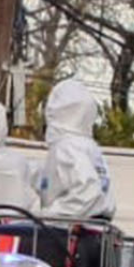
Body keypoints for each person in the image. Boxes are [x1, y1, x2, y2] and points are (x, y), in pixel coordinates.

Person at [35, 80, 116, 220]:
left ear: (55, 110)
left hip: (69, 231)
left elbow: (87, 192)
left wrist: (47, 216)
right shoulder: (90, 147)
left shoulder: (67, 147)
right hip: (96, 229)